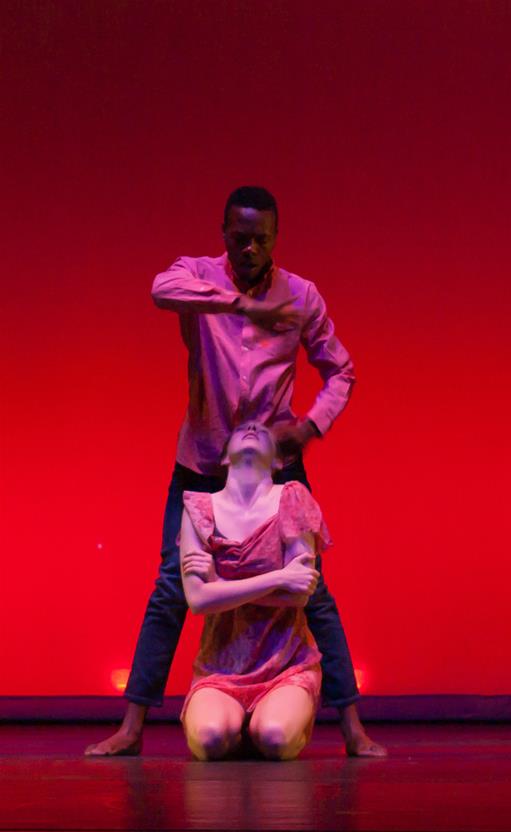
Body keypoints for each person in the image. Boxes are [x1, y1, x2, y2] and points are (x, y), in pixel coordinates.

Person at [85, 185, 386, 758]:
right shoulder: (198, 276)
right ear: (224, 233)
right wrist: (237, 304)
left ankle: (353, 729)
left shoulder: (300, 296)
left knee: (313, 592)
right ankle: (131, 728)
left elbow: (341, 371)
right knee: (172, 586)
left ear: (276, 238)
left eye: (261, 239)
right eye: (240, 237)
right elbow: (159, 290)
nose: (250, 248)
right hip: (203, 460)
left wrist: (312, 424)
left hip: (275, 470)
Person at [180, 420, 329, 761]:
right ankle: (236, 723)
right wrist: (276, 579)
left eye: (263, 431)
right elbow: (199, 601)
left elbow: (299, 593)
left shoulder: (292, 498)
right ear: (224, 458)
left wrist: (219, 584)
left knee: (274, 738)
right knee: (209, 739)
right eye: (242, 429)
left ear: (277, 461)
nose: (252, 428)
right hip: (222, 666)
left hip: (286, 662)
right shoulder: (198, 509)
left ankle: (266, 721)